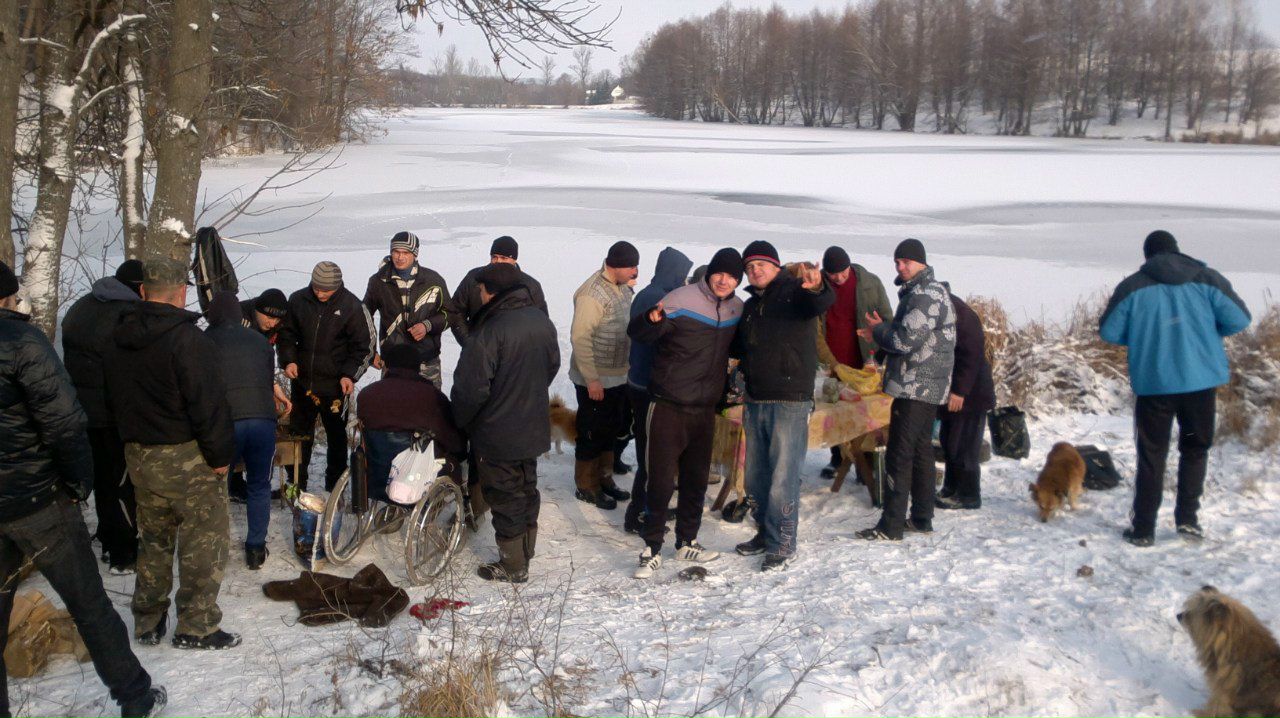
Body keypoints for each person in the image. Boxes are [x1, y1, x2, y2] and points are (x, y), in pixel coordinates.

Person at [0, 261, 166, 718]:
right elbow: (63, 421)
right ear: (8, 297)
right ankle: (134, 694)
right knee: (89, 604)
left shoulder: (75, 313)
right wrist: (77, 484)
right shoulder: (21, 342)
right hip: (36, 499)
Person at [103, 257, 240, 650]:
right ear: (182, 295)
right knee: (203, 541)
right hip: (185, 457)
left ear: (144, 292)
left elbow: (111, 401)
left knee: (154, 538)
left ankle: (148, 619)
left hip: (139, 457)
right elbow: (209, 405)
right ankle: (196, 626)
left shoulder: (117, 339)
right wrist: (219, 456)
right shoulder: (189, 341)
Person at [1099, 230, 1251, 546]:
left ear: (1147, 256)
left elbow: (1110, 332)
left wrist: (1142, 335)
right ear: (1178, 251)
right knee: (1194, 449)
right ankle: (1188, 521)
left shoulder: (1132, 286)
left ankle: (1143, 529)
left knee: (1152, 454)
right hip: (1199, 385)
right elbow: (1239, 319)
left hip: (1155, 386)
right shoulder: (1208, 280)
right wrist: (1208, 332)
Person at [628, 248, 743, 579]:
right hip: (668, 403)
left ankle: (687, 540)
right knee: (660, 479)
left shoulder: (736, 307)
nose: (724, 280)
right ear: (709, 274)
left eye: (732, 276)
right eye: (719, 273)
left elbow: (738, 348)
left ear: (738, 280)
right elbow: (639, 334)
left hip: (704, 408)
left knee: (695, 478)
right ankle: (651, 548)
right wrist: (650, 320)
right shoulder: (681, 298)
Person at [451, 263, 560, 583]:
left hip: (498, 429)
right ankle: (526, 551)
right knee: (526, 487)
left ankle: (513, 566)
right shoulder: (541, 320)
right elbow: (550, 366)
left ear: (492, 292)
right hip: (532, 421)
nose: (479, 296)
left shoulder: (489, 330)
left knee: (504, 493)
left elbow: (471, 389)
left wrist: (462, 420)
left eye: (481, 290)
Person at [730, 241, 834, 571]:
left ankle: (783, 542)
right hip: (756, 399)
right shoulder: (749, 307)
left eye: (761, 264)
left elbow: (819, 301)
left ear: (776, 266)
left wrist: (817, 286)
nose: (755, 270)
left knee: (782, 477)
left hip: (789, 401)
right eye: (749, 267)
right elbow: (738, 349)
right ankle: (765, 532)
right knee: (756, 477)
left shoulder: (794, 293)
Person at [856, 239, 956, 542]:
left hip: (916, 385)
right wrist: (882, 330)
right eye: (897, 262)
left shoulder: (925, 295)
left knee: (900, 454)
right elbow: (908, 336)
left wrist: (879, 332)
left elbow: (903, 341)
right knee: (921, 451)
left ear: (921, 263)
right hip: (925, 385)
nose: (900, 267)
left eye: (906, 262)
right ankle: (922, 518)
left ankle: (891, 526)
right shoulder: (923, 291)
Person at [60, 259, 144, 574]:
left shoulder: (82, 306)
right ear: (138, 288)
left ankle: (109, 538)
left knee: (102, 481)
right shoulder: (126, 315)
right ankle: (123, 554)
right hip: (113, 415)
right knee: (121, 484)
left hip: (80, 412)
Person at [205, 291, 291, 569]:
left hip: (226, 423)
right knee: (259, 485)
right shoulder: (260, 341)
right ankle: (256, 548)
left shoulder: (204, 341)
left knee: (217, 486)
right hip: (262, 420)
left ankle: (214, 549)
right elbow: (266, 379)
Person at [278, 261, 375, 492]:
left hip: (336, 387)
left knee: (337, 438)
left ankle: (334, 487)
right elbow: (285, 335)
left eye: (325, 290)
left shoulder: (352, 306)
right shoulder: (298, 300)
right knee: (300, 436)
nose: (320, 293)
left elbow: (366, 347)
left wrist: (349, 375)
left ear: (337, 286)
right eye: (316, 287)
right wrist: (288, 360)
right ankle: (296, 484)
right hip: (303, 383)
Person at [622, 247, 693, 534]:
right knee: (651, 456)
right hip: (649, 386)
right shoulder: (659, 298)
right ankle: (639, 515)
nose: (685, 280)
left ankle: (649, 509)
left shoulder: (649, 292)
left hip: (640, 382)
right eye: (683, 274)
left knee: (650, 454)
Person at [568, 241, 640, 510]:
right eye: (631, 266)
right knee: (591, 432)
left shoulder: (622, 288)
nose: (635, 272)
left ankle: (604, 478)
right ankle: (586, 486)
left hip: (618, 375)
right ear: (615, 265)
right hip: (595, 379)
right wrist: (592, 379)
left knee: (610, 429)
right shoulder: (591, 294)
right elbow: (580, 338)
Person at [814, 246, 893, 480]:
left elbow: (887, 319)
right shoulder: (821, 288)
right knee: (833, 409)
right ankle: (837, 458)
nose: (838, 278)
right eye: (833, 274)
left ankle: (864, 463)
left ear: (850, 266)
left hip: (863, 359)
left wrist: (879, 348)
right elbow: (815, 326)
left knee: (865, 413)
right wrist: (827, 360)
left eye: (843, 272)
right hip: (832, 360)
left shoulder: (870, 283)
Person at [357, 344, 467, 505]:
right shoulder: (431, 397)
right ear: (418, 367)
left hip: (375, 474)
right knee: (452, 460)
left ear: (388, 365)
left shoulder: (366, 395)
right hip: (413, 477)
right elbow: (449, 436)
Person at [364, 231, 452, 387]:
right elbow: (364, 318)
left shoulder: (433, 280)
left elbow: (451, 314)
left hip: (426, 360)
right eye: (396, 252)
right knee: (393, 409)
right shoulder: (378, 282)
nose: (400, 257)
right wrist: (371, 352)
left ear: (415, 254)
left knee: (429, 408)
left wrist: (427, 326)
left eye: (405, 252)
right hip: (392, 361)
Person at [935, 290, 995, 510]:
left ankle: (969, 495)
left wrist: (959, 391)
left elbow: (971, 354)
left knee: (965, 446)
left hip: (971, 395)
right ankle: (951, 488)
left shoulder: (961, 315)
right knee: (950, 442)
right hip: (953, 392)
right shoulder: (941, 313)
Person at [450, 235, 548, 344]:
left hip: (515, 354)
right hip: (479, 351)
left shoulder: (530, 285)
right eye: (494, 257)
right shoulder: (474, 278)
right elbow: (456, 311)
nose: (498, 261)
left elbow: (541, 323)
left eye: (504, 258)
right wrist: (469, 342)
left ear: (514, 260)